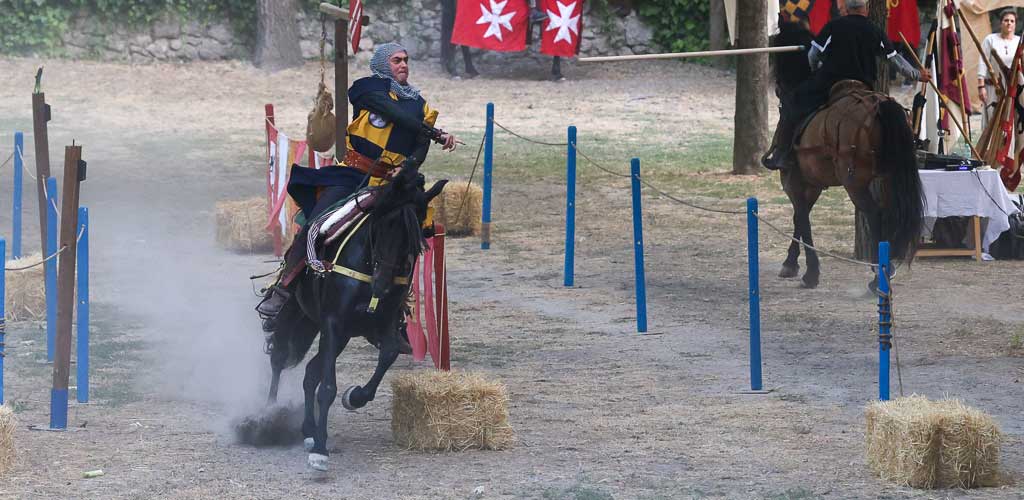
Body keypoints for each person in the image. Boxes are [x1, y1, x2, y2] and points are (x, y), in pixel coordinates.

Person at [257, 42, 458, 350]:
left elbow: (418, 151)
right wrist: (436, 132)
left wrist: (406, 170)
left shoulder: (420, 106)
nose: (403, 65)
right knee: (316, 224)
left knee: (406, 238)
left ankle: (397, 313)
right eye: (396, 60)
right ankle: (284, 289)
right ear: (382, 64)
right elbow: (393, 113)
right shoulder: (366, 90)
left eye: (406, 60)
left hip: (393, 184)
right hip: (352, 176)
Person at [762, 0, 930, 170]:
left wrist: (816, 70)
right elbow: (896, 61)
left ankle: (783, 155)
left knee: (793, 100)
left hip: (829, 83)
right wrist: (918, 75)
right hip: (865, 86)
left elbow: (813, 55)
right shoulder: (875, 30)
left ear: (846, 9)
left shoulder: (833, 27)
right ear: (866, 8)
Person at [978, 8, 1019, 129]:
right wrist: (981, 87)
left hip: (1014, 89)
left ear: (1015, 24)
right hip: (993, 88)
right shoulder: (990, 40)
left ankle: (1010, 148)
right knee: (993, 120)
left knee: (1014, 121)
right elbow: (982, 62)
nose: (1009, 23)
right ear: (1001, 23)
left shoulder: (1019, 42)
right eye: (1006, 20)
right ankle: (992, 147)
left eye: (1012, 21)